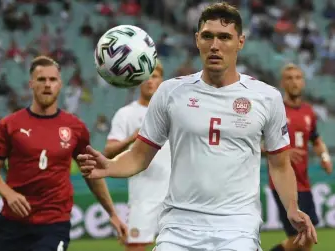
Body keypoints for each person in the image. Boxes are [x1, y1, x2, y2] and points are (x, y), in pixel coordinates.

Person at [77, 3, 318, 251]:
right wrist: (110, 166)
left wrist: (292, 207)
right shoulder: (170, 92)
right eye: (207, 36)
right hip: (179, 227)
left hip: (237, 227)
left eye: (224, 37)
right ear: (197, 40)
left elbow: (280, 164)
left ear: (241, 42)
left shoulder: (267, 97)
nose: (215, 45)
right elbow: (139, 156)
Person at [0, 56, 127, 251]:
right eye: (41, 80)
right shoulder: (9, 125)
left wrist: (113, 213)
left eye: (52, 80)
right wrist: (8, 194)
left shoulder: (75, 127)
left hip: (53, 224)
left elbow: (91, 173)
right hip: (12, 223)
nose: (47, 85)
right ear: (31, 84)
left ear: (60, 84)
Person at [104, 61, 170, 251]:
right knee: (136, 246)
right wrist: (132, 138)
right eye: (145, 77)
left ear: (162, 80)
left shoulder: (173, 111)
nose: (150, 81)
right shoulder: (126, 114)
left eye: (155, 76)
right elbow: (108, 151)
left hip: (176, 195)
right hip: (143, 196)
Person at [269, 64, 332, 251]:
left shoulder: (308, 112)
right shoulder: (276, 110)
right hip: (284, 184)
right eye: (289, 78)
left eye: (298, 77)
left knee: (306, 242)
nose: (294, 82)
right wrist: (283, 151)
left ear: (303, 82)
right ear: (282, 83)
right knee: (301, 237)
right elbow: (258, 143)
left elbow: (316, 139)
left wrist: (325, 157)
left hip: (304, 183)